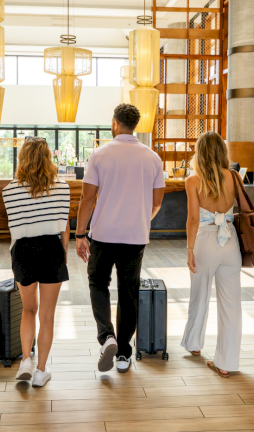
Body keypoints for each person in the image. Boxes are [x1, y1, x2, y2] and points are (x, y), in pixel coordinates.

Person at [76, 104, 165, 374]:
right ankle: (124, 354)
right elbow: (157, 201)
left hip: (103, 234)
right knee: (129, 292)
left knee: (98, 282)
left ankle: (107, 337)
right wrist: (138, 220)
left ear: (114, 123)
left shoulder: (100, 154)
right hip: (135, 236)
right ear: (135, 124)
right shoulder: (152, 158)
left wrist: (80, 234)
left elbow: (87, 197)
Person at [2, 137, 70, 387]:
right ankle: (41, 371)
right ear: (48, 158)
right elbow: (64, 227)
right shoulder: (62, 187)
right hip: (51, 248)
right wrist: (61, 254)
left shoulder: (9, 190)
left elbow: (15, 228)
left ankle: (26, 361)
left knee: (28, 309)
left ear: (22, 158)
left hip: (22, 250)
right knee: (48, 314)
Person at [181, 131, 247, 377]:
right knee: (231, 305)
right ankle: (226, 363)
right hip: (229, 240)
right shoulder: (233, 176)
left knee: (199, 295)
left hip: (206, 240)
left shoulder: (193, 180)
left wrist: (189, 249)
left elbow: (193, 219)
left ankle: (194, 345)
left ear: (200, 151)